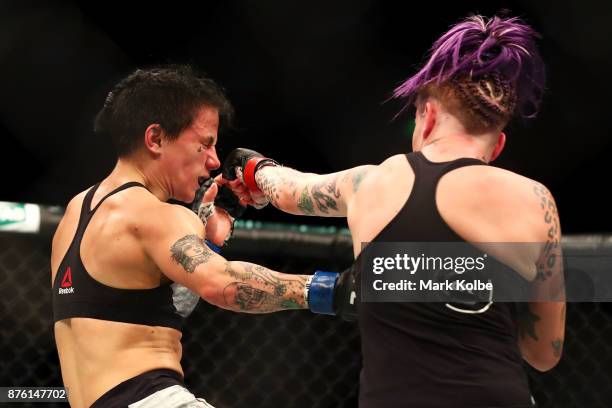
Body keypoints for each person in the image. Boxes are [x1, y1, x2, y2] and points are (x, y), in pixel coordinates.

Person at [221, 15, 566, 407]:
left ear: (428, 115)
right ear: (498, 146)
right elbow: (545, 352)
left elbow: (289, 191)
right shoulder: (535, 201)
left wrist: (253, 168)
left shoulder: (374, 183)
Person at [50, 65, 351, 408]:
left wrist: (209, 238)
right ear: (156, 138)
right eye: (205, 144)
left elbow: (164, 310)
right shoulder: (156, 214)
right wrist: (333, 290)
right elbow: (220, 284)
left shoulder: (77, 212)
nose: (213, 161)